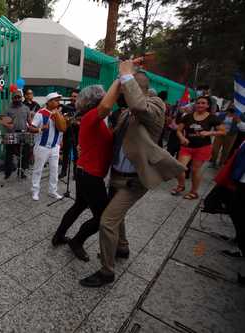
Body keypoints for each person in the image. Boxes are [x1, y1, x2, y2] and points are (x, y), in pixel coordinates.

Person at [80, 60, 186, 287]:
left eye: (122, 87)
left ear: (135, 88)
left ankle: (107, 272)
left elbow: (139, 107)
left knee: (107, 221)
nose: (119, 92)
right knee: (117, 216)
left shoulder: (155, 105)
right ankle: (122, 247)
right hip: (117, 175)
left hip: (135, 180)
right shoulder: (127, 111)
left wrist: (126, 75)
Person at [52, 83, 118, 262]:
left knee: (79, 205)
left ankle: (58, 236)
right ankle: (77, 241)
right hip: (90, 175)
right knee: (102, 217)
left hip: (86, 172)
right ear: (97, 99)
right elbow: (105, 106)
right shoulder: (91, 116)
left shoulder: (95, 119)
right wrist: (120, 79)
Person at [171, 96, 226, 199]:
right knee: (179, 168)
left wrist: (209, 132)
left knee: (195, 170)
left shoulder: (212, 118)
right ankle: (181, 185)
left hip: (202, 148)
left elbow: (223, 131)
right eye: (198, 103)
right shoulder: (188, 116)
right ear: (195, 104)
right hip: (187, 147)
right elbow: (178, 130)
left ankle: (194, 192)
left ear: (208, 105)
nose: (200, 105)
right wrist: (182, 137)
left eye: (203, 103)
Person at [28, 92, 65, 201]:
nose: (58, 102)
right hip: (42, 147)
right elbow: (31, 128)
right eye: (55, 100)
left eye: (58, 100)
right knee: (38, 170)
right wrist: (40, 129)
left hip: (55, 147)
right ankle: (35, 191)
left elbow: (61, 129)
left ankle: (52, 191)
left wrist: (60, 141)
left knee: (54, 169)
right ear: (48, 102)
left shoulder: (58, 113)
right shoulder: (41, 113)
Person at [2, 90, 31, 179]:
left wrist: (32, 128)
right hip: (11, 133)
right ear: (12, 98)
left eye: (19, 97)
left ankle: (21, 172)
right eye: (15, 97)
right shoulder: (8, 109)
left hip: (23, 133)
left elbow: (29, 121)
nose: (17, 99)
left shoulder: (26, 108)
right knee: (9, 154)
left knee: (25, 153)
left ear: (21, 98)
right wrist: (7, 125)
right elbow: (3, 121)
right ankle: (8, 172)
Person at [59, 88, 80, 179]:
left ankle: (76, 173)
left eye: (75, 96)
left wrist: (76, 122)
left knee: (76, 155)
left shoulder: (82, 107)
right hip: (67, 133)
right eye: (71, 96)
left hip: (77, 134)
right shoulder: (66, 107)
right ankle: (63, 172)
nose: (73, 98)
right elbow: (62, 119)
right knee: (66, 154)